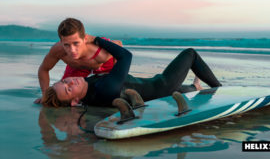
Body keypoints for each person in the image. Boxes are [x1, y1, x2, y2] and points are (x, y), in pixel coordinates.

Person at [42, 37, 222, 107]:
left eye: (65, 81)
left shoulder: (87, 92)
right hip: (162, 86)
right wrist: (96, 39)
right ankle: (220, 89)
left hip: (153, 90)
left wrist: (45, 96)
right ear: (74, 101)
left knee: (183, 88)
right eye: (68, 89)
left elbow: (71, 81)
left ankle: (194, 86)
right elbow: (126, 56)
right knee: (190, 54)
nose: (71, 82)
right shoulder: (106, 88)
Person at [36, 18, 121, 103]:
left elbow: (119, 45)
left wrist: (117, 79)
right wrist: (44, 95)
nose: (72, 50)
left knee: (106, 93)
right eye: (66, 45)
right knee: (62, 96)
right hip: (76, 68)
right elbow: (44, 69)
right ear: (61, 42)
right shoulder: (58, 50)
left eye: (76, 43)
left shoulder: (100, 53)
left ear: (84, 39)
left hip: (103, 66)